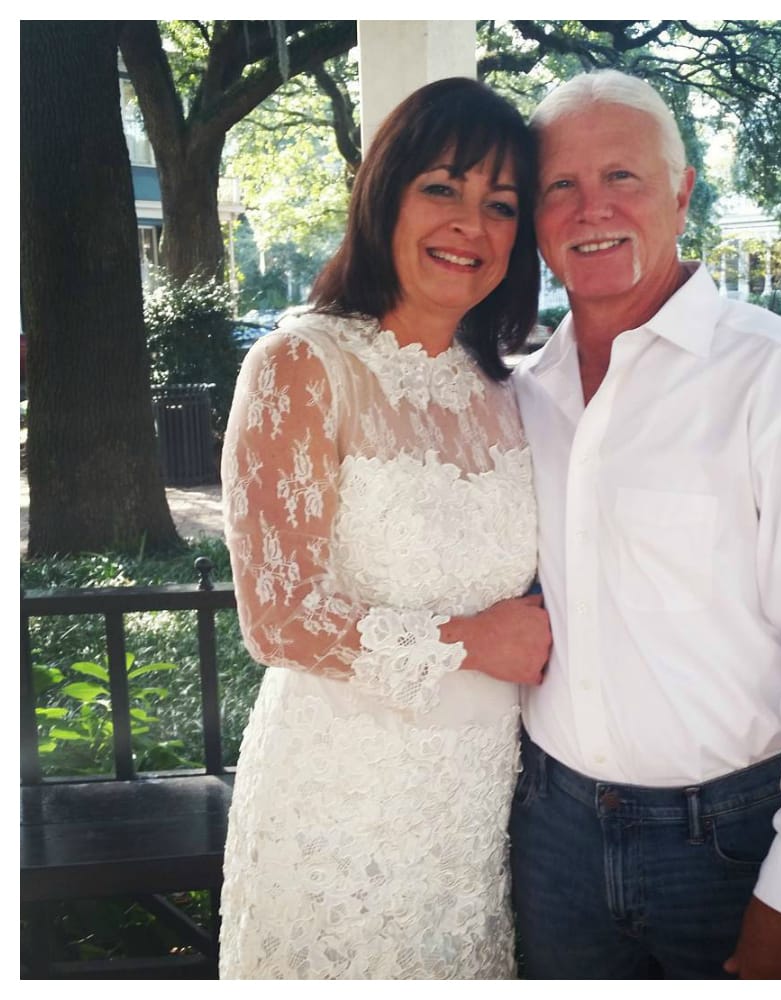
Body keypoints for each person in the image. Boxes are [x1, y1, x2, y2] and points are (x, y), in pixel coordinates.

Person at [506, 70, 781, 979]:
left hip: (727, 847)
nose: (591, 210)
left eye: (623, 177)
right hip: (550, 838)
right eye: (559, 187)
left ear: (683, 191)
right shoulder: (521, 396)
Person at [217, 76, 553, 979]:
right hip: (342, 797)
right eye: (442, 188)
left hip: (477, 803)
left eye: (501, 205)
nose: (470, 227)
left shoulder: (507, 392)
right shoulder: (302, 365)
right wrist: (474, 642)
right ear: (385, 193)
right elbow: (277, 619)